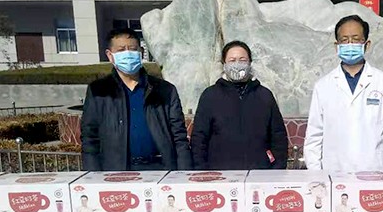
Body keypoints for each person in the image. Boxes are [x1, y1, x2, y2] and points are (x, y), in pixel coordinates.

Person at [304, 15, 383, 171]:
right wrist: (316, 174)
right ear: (336, 46)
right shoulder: (323, 86)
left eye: (356, 39)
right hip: (334, 172)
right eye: (344, 40)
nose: (350, 44)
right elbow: (314, 136)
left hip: (375, 171)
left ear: (366, 44)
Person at [81, 28, 192, 171]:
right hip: (117, 171)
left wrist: (184, 172)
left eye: (133, 49)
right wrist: (93, 175)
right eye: (121, 50)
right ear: (110, 55)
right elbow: (90, 138)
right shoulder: (99, 91)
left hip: (160, 168)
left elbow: (179, 136)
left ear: (141, 52)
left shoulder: (165, 90)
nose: (128, 54)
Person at [191, 40, 288, 170]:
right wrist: (201, 171)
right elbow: (199, 138)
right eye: (232, 60)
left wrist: (277, 168)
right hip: (221, 173)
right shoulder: (210, 96)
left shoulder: (264, 95)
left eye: (242, 60)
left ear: (250, 63)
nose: (237, 64)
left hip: (259, 173)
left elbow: (278, 136)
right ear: (224, 64)